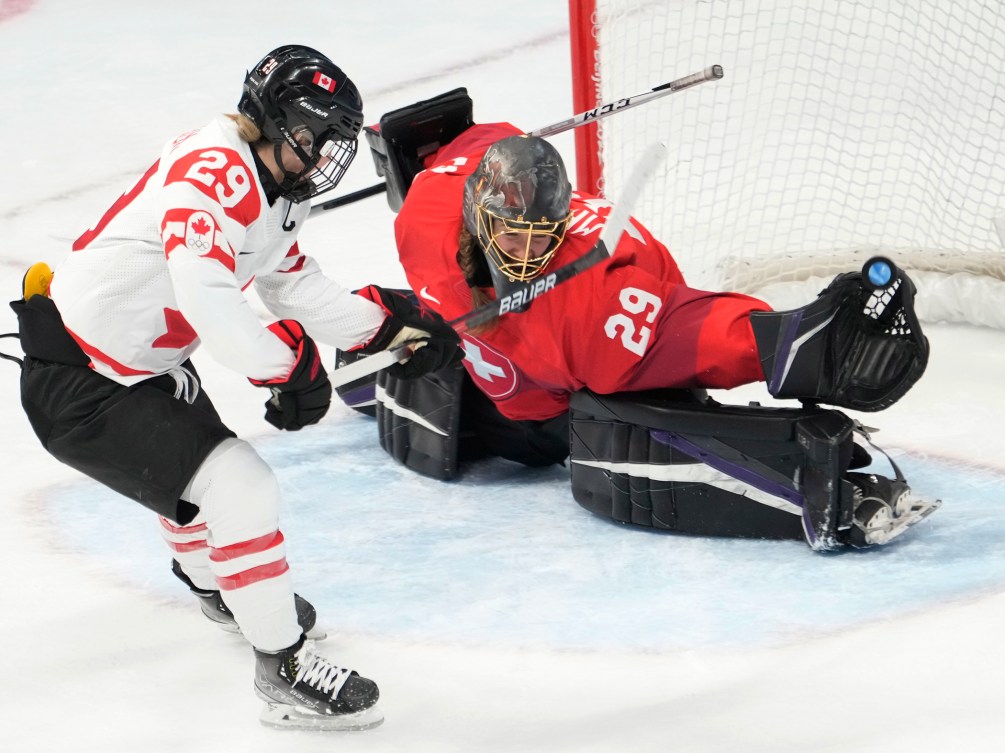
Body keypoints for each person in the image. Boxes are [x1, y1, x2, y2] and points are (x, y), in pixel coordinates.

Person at [7, 45, 461, 731]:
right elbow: (214, 311)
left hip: (140, 364)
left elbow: (291, 283)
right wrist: (288, 367)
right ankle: (283, 668)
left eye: (328, 143)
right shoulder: (212, 175)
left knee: (196, 475)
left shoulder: (279, 186)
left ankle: (222, 588)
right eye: (310, 137)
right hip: (82, 381)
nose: (319, 159)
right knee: (237, 485)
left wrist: (386, 328)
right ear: (268, 120)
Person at [346, 92, 936, 553]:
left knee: (597, 419)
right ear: (477, 210)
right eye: (509, 233)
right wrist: (394, 147)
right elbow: (476, 143)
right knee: (407, 349)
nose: (524, 256)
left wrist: (779, 344)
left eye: (539, 237)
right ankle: (359, 358)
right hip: (508, 356)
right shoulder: (427, 212)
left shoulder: (580, 303)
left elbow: (690, 329)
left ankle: (799, 347)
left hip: (555, 387)